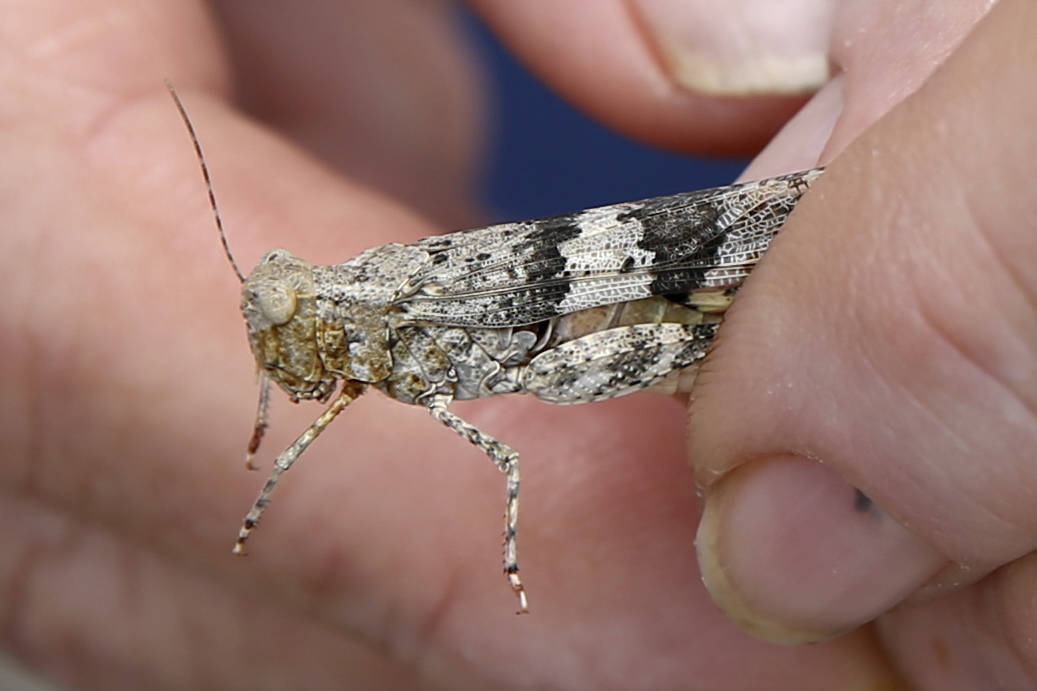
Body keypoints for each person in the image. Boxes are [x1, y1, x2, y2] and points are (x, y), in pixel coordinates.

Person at [2, 0, 1033, 688]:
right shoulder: (344, 337)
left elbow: (495, 433)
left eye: (282, 317)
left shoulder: (387, 305)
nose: (276, 338)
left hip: (652, 268)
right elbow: (297, 396)